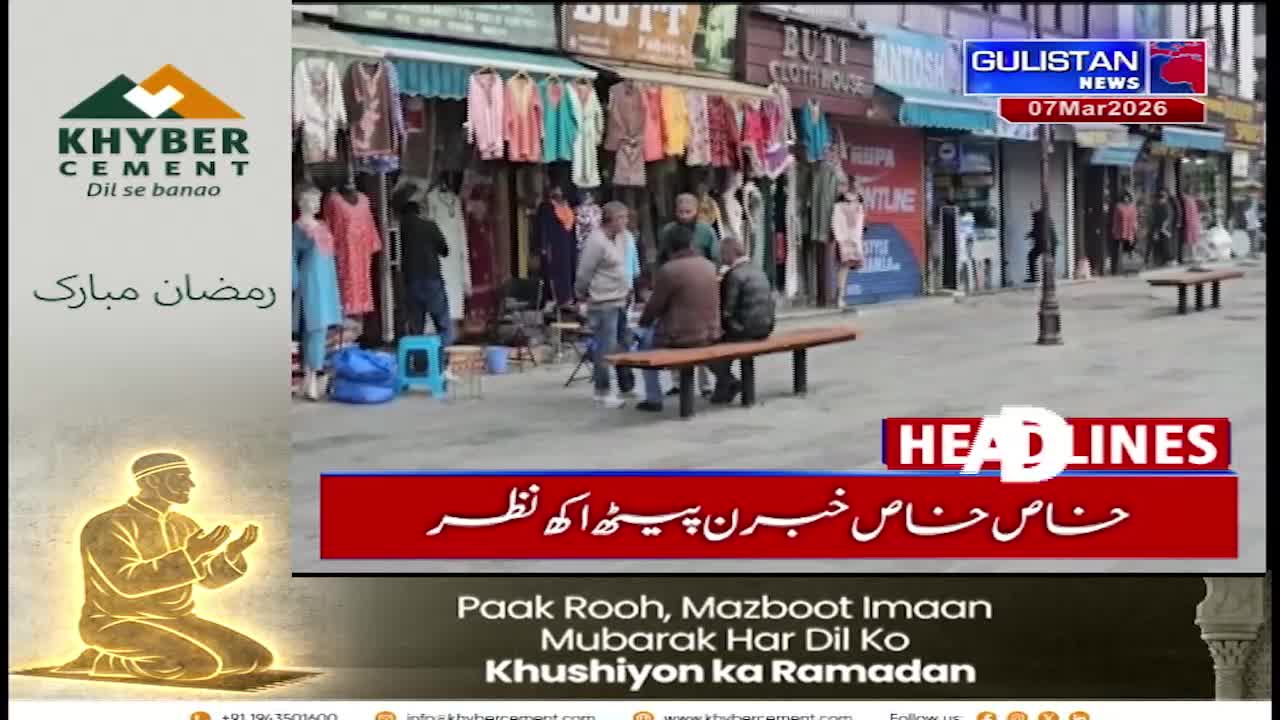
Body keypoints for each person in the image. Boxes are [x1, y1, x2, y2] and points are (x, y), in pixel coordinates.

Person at [55, 452, 272, 682]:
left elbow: (207, 580)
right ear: (152, 481)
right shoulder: (106, 524)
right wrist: (191, 553)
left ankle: (149, 657)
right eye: (181, 477)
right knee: (202, 666)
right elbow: (127, 583)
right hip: (116, 623)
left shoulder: (184, 524)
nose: (191, 484)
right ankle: (100, 660)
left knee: (255, 660)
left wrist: (231, 554)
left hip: (178, 621)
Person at [635, 225, 722, 413]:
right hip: (711, 333)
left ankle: (653, 398)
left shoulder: (670, 270)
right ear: (691, 243)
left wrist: (642, 324)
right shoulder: (709, 266)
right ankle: (718, 382)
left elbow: (654, 307)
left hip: (681, 337)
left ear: (668, 246)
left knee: (643, 343)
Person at [658, 193, 719, 397]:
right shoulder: (668, 231)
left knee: (700, 336)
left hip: (699, 289)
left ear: (696, 211)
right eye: (680, 212)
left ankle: (704, 384)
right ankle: (676, 382)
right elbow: (661, 258)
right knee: (675, 333)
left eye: (688, 212)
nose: (684, 216)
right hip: (674, 287)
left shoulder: (706, 231)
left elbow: (716, 258)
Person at [396, 181, 457, 380]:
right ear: (420, 209)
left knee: (416, 328)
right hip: (431, 281)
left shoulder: (402, 229)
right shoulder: (429, 226)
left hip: (411, 282)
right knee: (443, 325)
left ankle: (417, 368)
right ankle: (443, 367)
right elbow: (445, 250)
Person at [575, 201, 632, 409]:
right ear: (612, 219)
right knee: (605, 348)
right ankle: (603, 390)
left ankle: (625, 384)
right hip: (603, 302)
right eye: (623, 218)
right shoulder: (595, 242)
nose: (626, 222)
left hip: (620, 299)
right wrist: (581, 295)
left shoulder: (622, 238)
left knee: (623, 343)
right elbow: (584, 272)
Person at [710, 235, 776, 404]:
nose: (720, 258)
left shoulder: (734, 275)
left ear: (729, 253)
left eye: (721, 254)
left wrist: (718, 328)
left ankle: (729, 382)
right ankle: (724, 389)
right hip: (765, 328)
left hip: (745, 330)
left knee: (710, 350)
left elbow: (727, 312)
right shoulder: (758, 269)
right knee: (724, 346)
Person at [831, 176, 866, 309]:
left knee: (844, 268)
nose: (858, 188)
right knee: (842, 268)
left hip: (851, 240)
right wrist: (841, 239)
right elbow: (837, 223)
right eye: (856, 184)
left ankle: (840, 297)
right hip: (843, 240)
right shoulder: (839, 205)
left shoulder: (858, 204)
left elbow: (859, 225)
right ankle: (839, 297)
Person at [1025, 202, 1059, 283]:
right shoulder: (1044, 216)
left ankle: (1035, 278)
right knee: (1049, 260)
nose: (1031, 213)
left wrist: (1031, 235)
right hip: (1050, 242)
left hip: (1046, 243)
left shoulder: (1038, 217)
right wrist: (1031, 235)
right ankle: (1049, 278)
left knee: (1032, 256)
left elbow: (1038, 230)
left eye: (1032, 210)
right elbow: (1038, 230)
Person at [1147, 190, 1174, 267]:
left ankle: (1168, 260)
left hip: (1165, 230)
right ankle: (1160, 260)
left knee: (1166, 245)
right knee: (1158, 245)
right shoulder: (1156, 206)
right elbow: (1155, 219)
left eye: (1161, 198)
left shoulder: (1167, 206)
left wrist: (1164, 227)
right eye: (1159, 198)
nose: (1160, 200)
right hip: (1159, 229)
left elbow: (1168, 218)